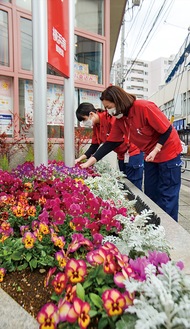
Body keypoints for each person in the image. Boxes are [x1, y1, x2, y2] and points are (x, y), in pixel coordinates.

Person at [80, 86, 182, 222]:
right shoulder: (120, 120)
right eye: (106, 108)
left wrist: (156, 149)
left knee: (167, 195)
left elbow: (167, 129)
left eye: (109, 106)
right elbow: (110, 143)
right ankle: (155, 225)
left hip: (168, 152)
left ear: (118, 101)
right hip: (150, 156)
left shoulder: (144, 107)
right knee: (150, 194)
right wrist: (88, 163)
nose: (108, 111)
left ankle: (170, 231)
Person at [75, 102, 144, 190]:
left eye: (84, 120)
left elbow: (111, 144)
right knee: (125, 184)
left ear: (91, 114)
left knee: (134, 186)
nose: (84, 123)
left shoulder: (110, 119)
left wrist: (88, 163)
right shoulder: (97, 126)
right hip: (122, 155)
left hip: (133, 152)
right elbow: (94, 146)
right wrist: (80, 159)